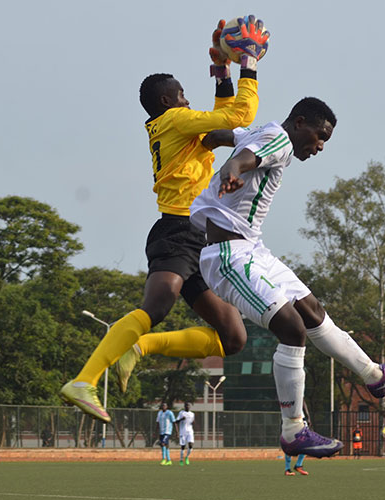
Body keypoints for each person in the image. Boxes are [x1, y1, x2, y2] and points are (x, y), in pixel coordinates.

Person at [60, 16, 270, 423]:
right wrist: (250, 63)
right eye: (182, 95)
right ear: (166, 103)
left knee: (234, 337)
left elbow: (226, 116)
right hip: (177, 230)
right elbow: (239, 113)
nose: (189, 103)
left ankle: (141, 348)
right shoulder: (174, 121)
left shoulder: (176, 127)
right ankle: (83, 381)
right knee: (156, 305)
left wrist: (221, 71)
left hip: (202, 239)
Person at [189, 97, 385, 458]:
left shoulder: (262, 132)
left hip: (253, 249)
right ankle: (293, 430)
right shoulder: (278, 141)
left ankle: (376, 376)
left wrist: (199, 143)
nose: (320, 146)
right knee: (292, 329)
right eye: (319, 136)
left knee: (311, 310)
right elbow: (242, 158)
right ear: (299, 123)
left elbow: (225, 136)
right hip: (228, 256)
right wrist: (232, 170)